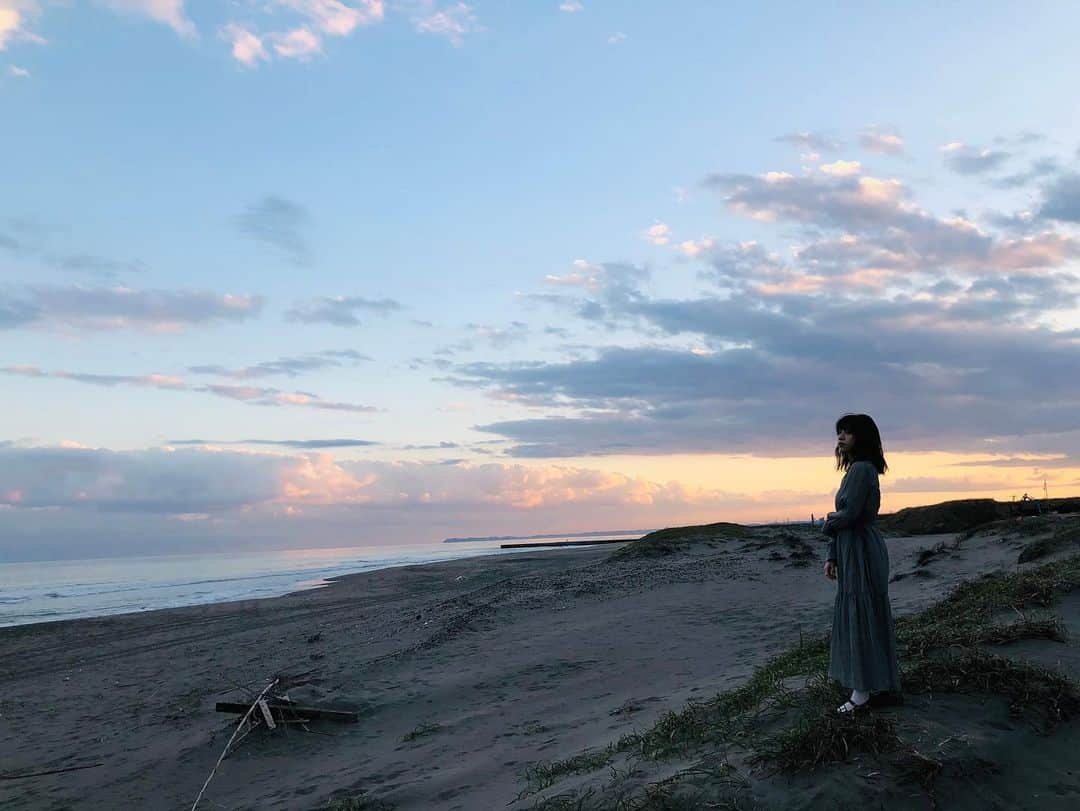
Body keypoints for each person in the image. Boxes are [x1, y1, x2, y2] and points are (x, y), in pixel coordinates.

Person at [822, 413, 901, 713]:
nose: (841, 437)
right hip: (854, 547)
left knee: (861, 615)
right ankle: (869, 685)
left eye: (848, 432)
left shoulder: (862, 470)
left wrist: (827, 524)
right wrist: (832, 554)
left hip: (862, 550)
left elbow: (849, 514)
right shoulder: (856, 470)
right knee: (862, 613)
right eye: (839, 432)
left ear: (862, 437)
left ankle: (862, 692)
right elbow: (846, 517)